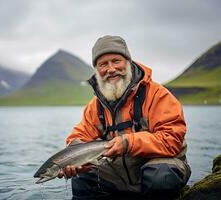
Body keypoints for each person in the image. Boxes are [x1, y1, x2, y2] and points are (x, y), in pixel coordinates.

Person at [58, 35, 191, 199]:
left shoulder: (158, 95)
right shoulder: (95, 105)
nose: (111, 69)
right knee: (82, 178)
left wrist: (129, 142)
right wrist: (74, 160)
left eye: (116, 61)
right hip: (119, 174)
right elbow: (80, 136)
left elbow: (173, 140)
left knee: (160, 178)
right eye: (103, 64)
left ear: (128, 62)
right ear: (97, 70)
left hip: (161, 166)